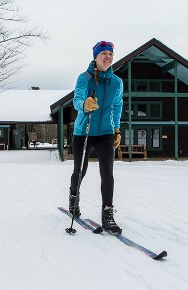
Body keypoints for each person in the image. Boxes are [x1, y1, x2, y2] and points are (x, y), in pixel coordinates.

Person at [68, 40, 124, 235]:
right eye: (104, 54)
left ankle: (108, 214)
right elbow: (77, 98)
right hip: (84, 131)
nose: (108, 57)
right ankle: (74, 198)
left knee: (107, 172)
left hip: (106, 133)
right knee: (80, 171)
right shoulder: (84, 78)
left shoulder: (117, 82)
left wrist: (116, 129)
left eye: (110, 54)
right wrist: (85, 104)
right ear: (96, 57)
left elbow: (117, 106)